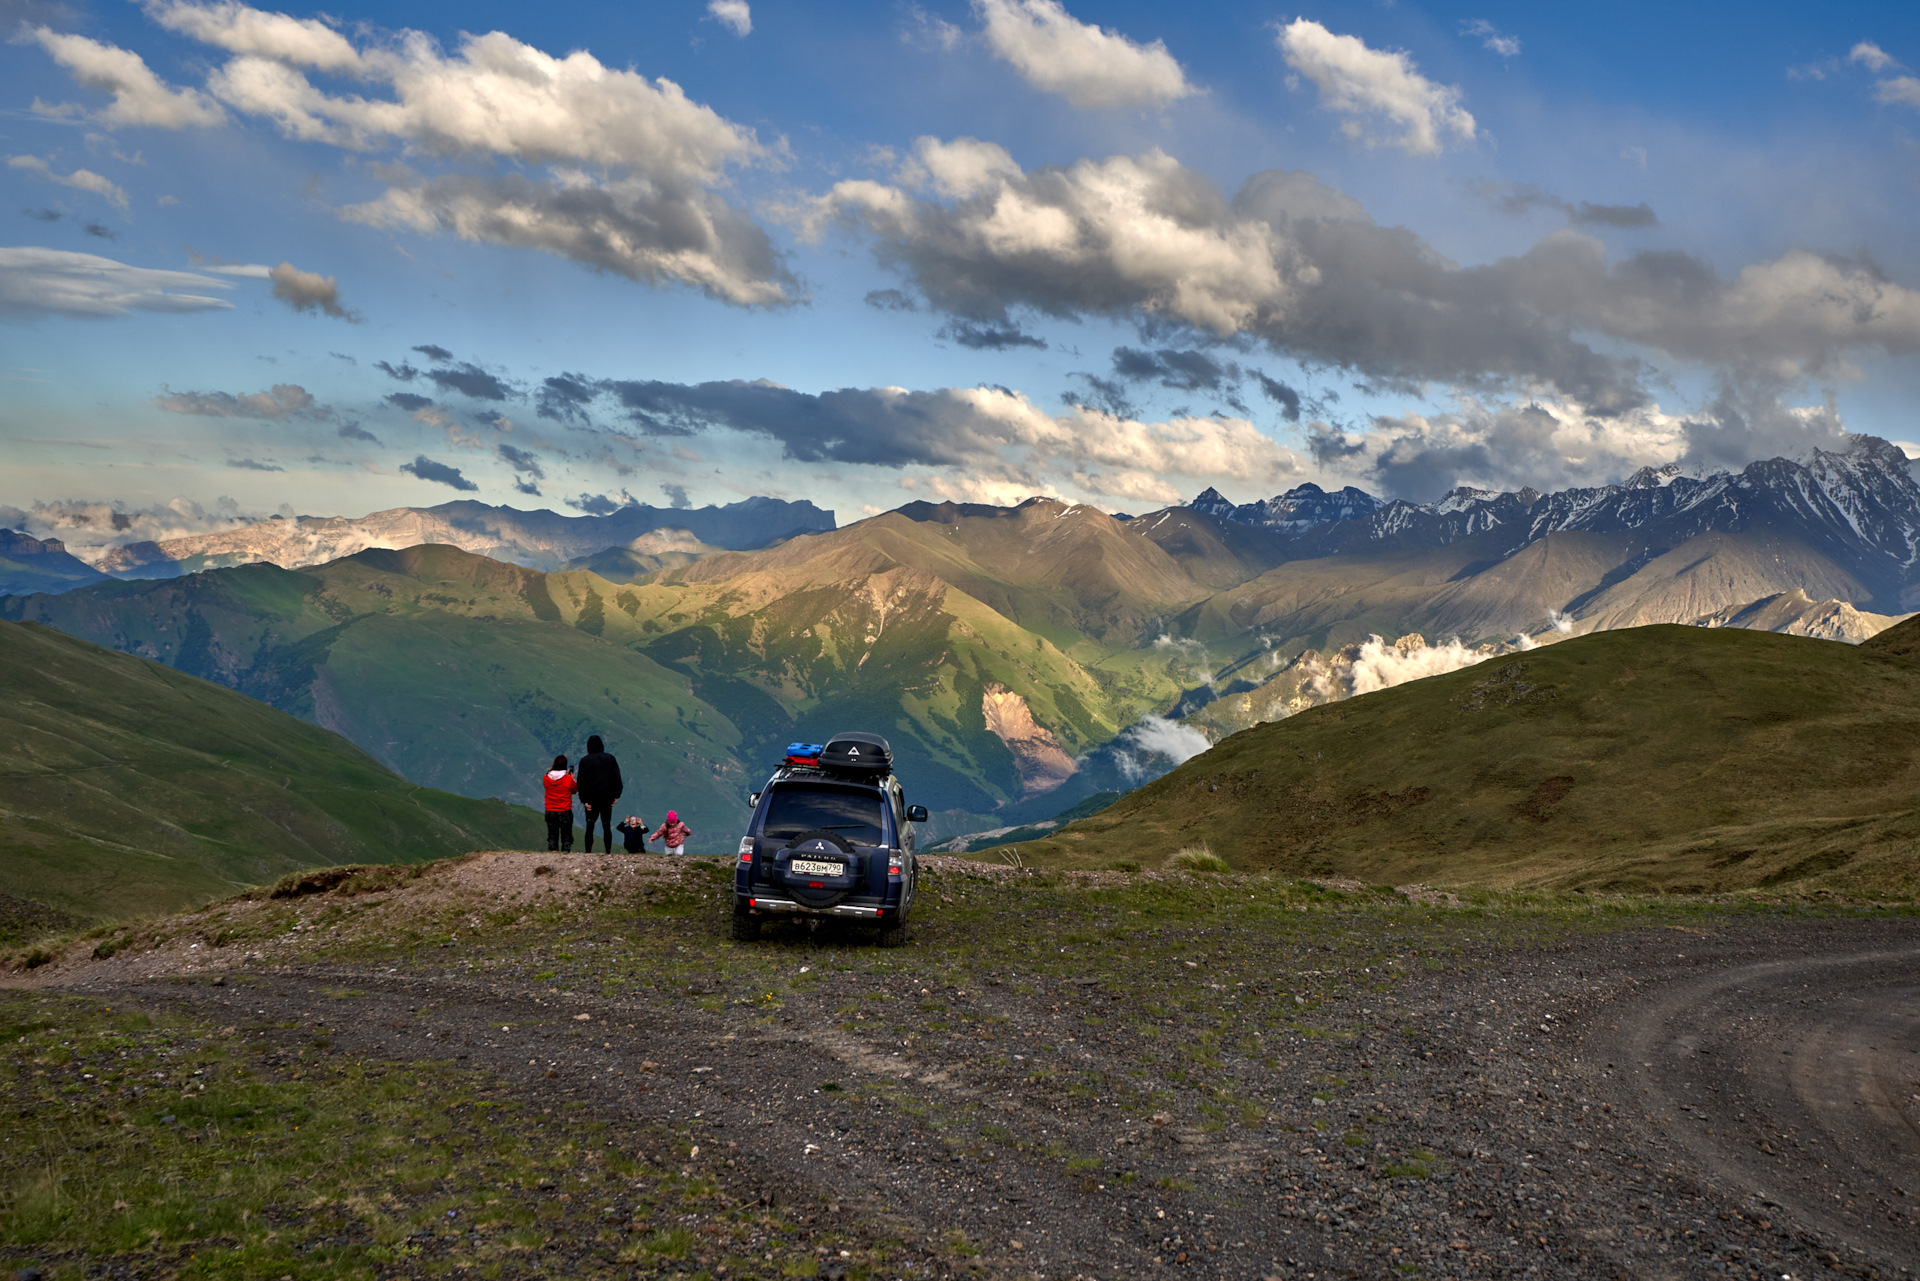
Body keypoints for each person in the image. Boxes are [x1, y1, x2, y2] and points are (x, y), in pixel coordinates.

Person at [576, 734, 625, 855]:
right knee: (606, 825)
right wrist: (616, 796)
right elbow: (617, 779)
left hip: (591, 799)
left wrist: (584, 800)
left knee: (590, 825)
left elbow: (581, 782)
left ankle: (588, 851)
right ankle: (608, 851)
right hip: (607, 798)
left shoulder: (585, 761)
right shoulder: (610, 759)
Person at [542, 754, 577, 852]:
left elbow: (546, 786)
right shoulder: (568, 779)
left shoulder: (546, 778)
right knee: (566, 832)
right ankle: (566, 850)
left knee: (552, 832)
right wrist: (572, 778)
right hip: (564, 809)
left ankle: (553, 850)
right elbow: (574, 790)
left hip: (550, 809)